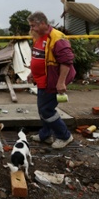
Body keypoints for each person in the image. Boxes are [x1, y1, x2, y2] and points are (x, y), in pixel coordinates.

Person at [27, 11, 76, 149]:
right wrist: (32, 72)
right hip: (42, 80)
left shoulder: (57, 38)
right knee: (42, 110)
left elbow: (66, 62)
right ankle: (45, 135)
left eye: (33, 26)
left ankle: (64, 136)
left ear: (42, 23)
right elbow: (39, 57)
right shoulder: (38, 36)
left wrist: (60, 82)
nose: (31, 29)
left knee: (47, 110)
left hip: (52, 81)